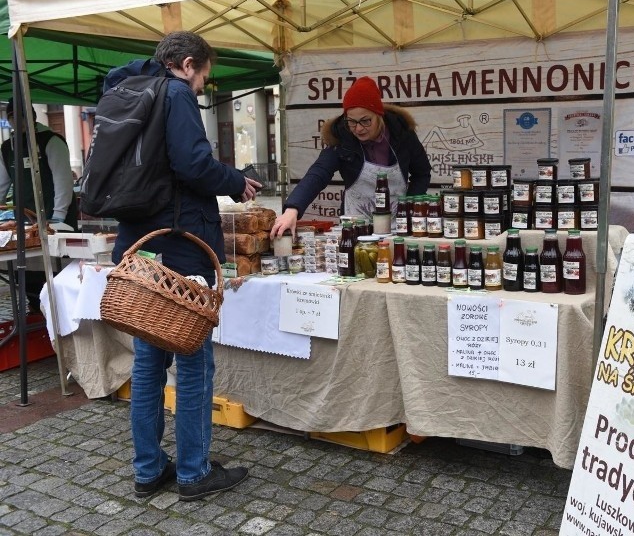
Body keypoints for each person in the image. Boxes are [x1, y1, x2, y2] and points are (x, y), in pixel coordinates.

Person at [108, 31, 261, 501]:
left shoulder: (133, 90)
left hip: (143, 244)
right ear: (188, 64)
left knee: (150, 362)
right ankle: (194, 473)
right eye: (204, 79)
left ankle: (149, 470)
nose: (201, 88)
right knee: (193, 362)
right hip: (181, 246)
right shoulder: (174, 93)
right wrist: (236, 181)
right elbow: (193, 163)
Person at [270, 76, 431, 237]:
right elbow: (319, 172)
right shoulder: (342, 138)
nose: (358, 128)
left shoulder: (402, 134)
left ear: (379, 115)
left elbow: (422, 173)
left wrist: (410, 206)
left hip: (398, 225)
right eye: (352, 121)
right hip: (355, 225)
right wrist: (292, 209)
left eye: (365, 121)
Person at [0, 99, 79, 311]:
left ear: (32, 117)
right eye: (12, 117)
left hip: (55, 220)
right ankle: (36, 312)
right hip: (24, 223)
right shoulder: (7, 147)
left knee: (55, 275)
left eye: (21, 117)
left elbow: (63, 181)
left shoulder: (51, 141)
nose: (17, 122)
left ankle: (59, 318)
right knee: (27, 276)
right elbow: (1, 184)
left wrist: (58, 217)